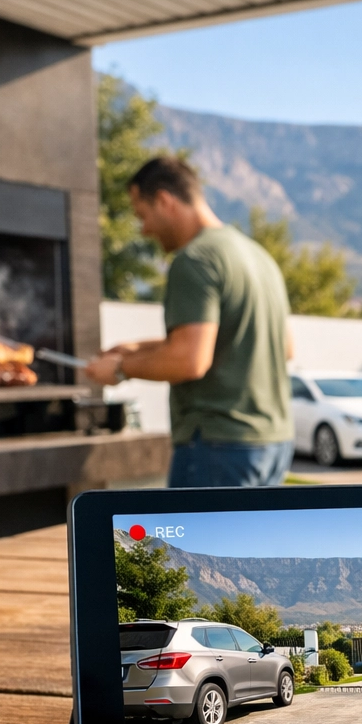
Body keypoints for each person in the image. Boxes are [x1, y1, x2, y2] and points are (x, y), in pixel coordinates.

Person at [85, 156, 294, 488]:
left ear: (165, 201)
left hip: (218, 445)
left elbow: (189, 360)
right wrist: (139, 347)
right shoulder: (258, 257)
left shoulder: (195, 260)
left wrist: (121, 368)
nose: (144, 229)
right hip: (272, 441)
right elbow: (279, 347)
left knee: (198, 543)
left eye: (142, 215)